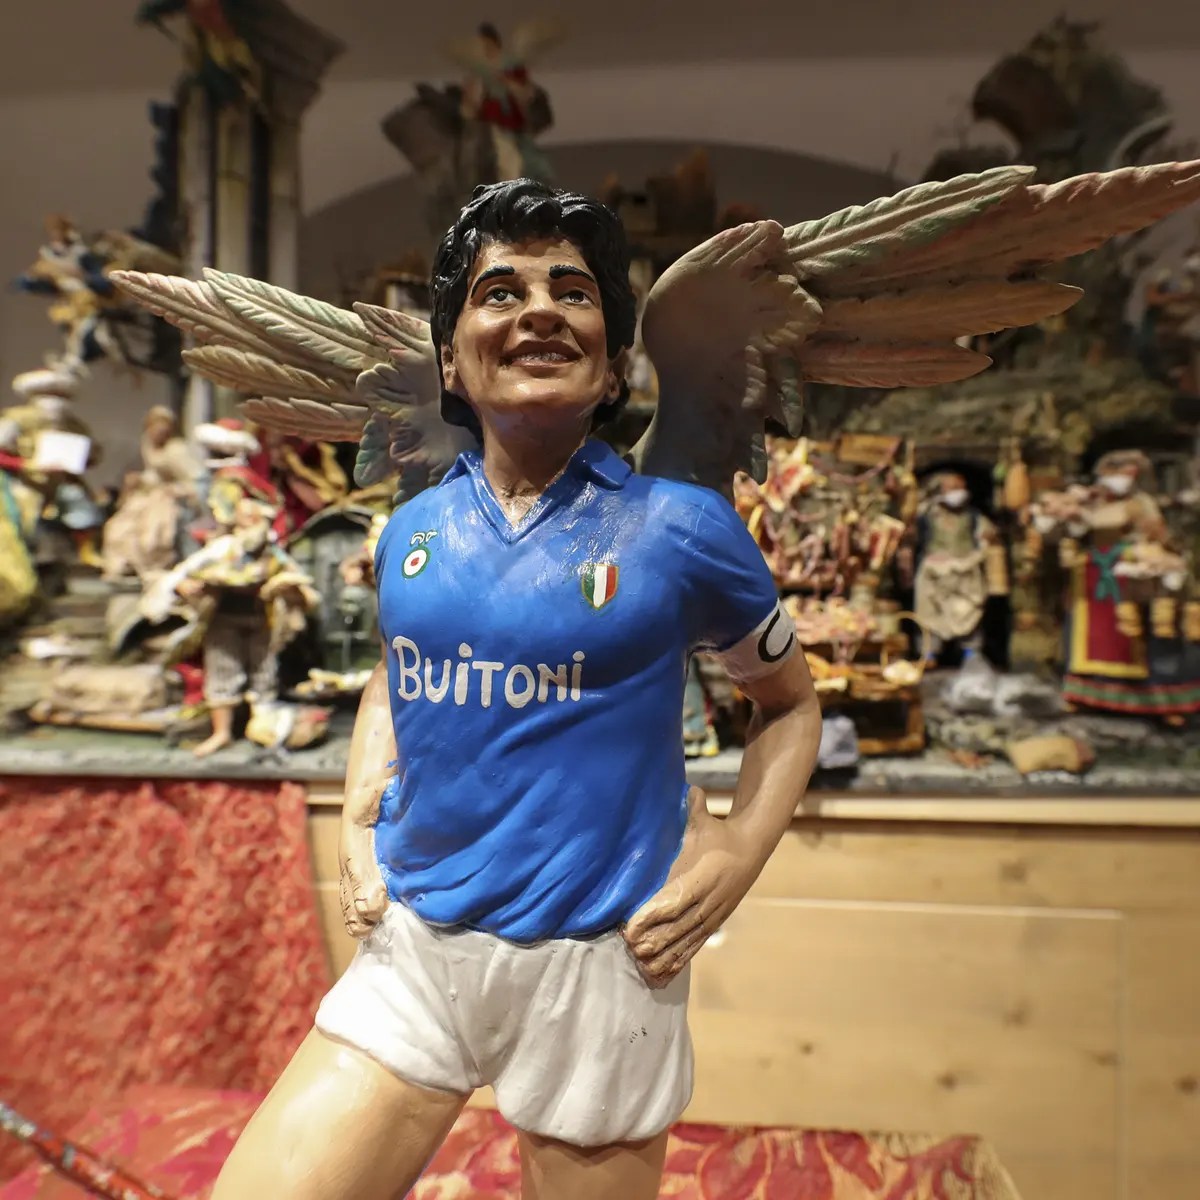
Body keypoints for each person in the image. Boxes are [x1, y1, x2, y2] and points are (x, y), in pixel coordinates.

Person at [208, 181, 821, 1198]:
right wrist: (357, 818)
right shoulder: (410, 532)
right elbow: (395, 677)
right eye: (501, 292)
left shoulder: (683, 530)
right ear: (450, 359)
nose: (540, 310)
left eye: (572, 292)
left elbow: (790, 704)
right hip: (417, 950)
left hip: (601, 963)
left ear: (615, 362)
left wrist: (740, 853)